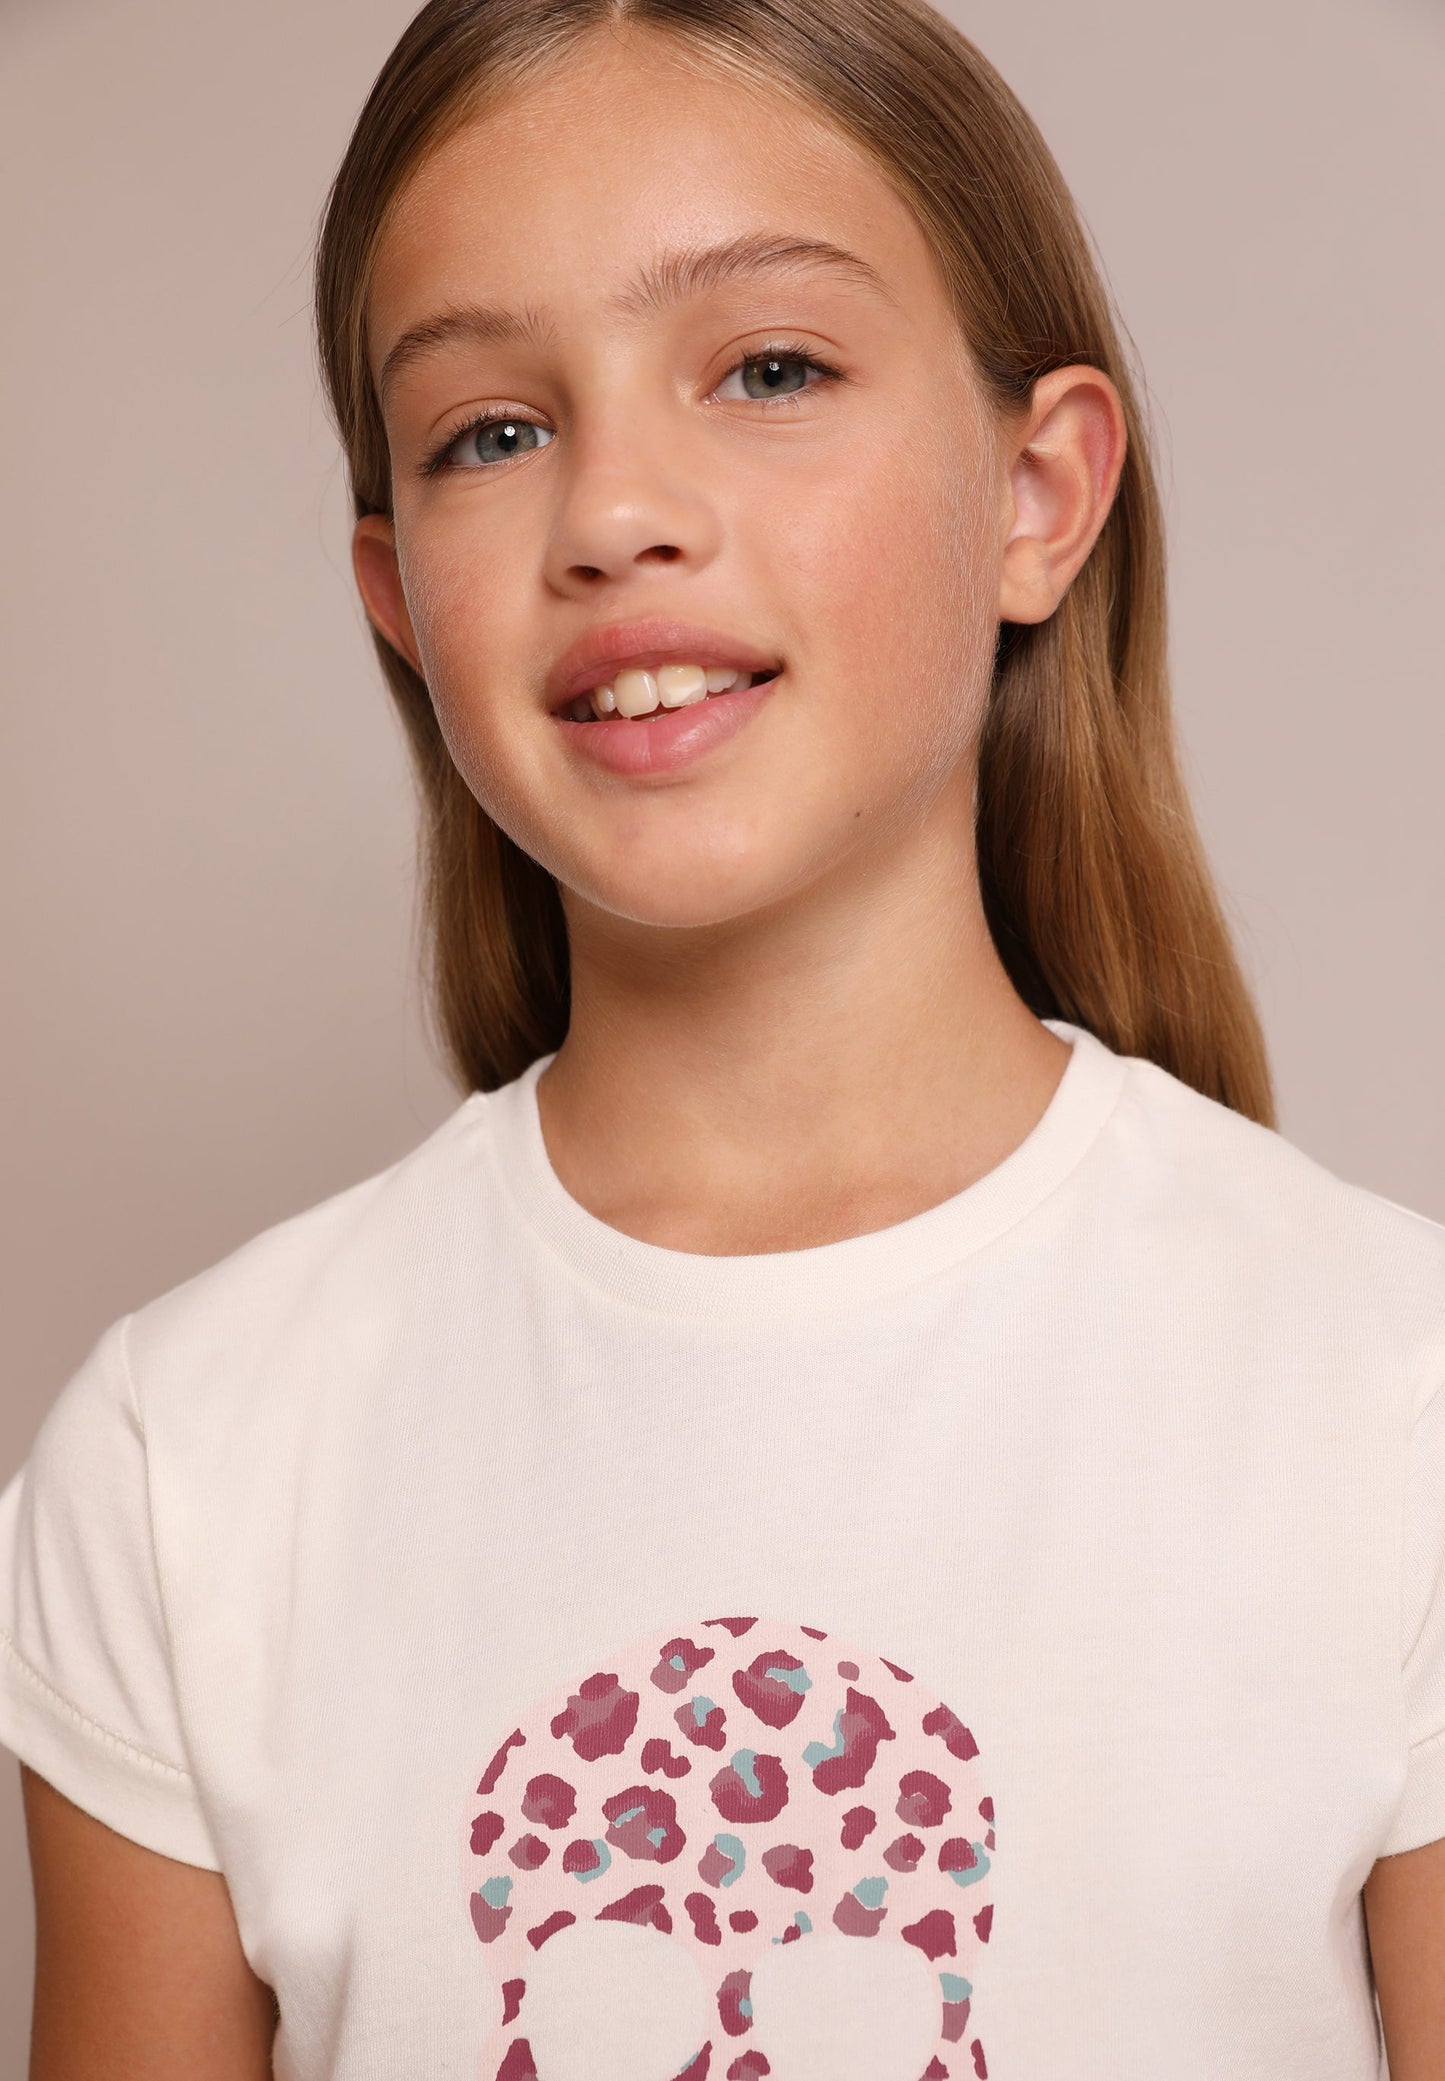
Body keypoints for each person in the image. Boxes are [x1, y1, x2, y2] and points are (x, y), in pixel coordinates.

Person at [2, 0, 1441, 2075]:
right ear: (401, 602)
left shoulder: (1391, 1413)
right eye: (492, 431)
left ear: (1037, 494)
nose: (615, 512)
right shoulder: (183, 1469)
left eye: (769, 370)